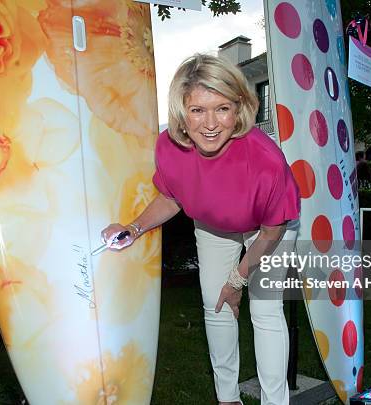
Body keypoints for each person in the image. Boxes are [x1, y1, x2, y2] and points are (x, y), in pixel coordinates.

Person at [101, 54, 301, 405]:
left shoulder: (266, 161)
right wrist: (133, 228)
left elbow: (271, 233)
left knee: (265, 310)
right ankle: (227, 398)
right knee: (216, 303)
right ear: (182, 112)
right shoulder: (168, 147)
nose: (210, 124)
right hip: (213, 224)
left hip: (269, 232)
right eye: (197, 110)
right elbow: (172, 197)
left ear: (238, 108)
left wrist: (238, 280)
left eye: (221, 109)